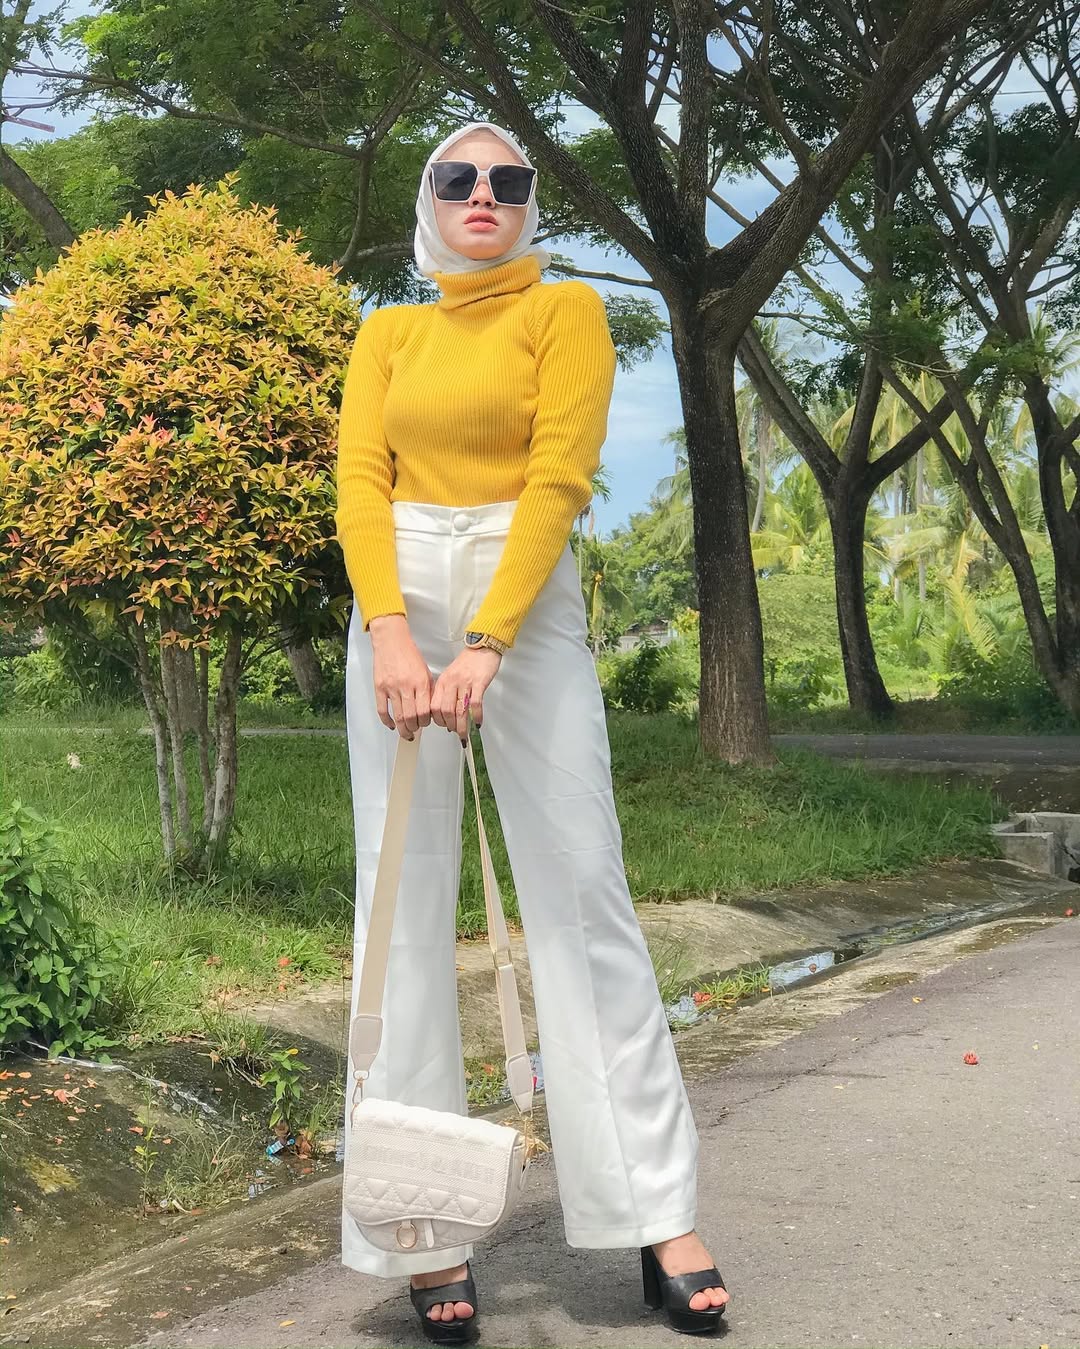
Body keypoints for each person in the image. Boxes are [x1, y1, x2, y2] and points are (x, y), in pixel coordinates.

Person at [334, 120, 730, 1342]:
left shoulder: (565, 312)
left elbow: (560, 475)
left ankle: (656, 1208)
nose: (484, 195)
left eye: (508, 181)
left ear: (528, 204)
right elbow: (359, 480)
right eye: (458, 178)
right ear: (429, 199)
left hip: (525, 592)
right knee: (400, 906)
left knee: (581, 891)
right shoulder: (387, 333)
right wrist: (392, 635)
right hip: (398, 595)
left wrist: (487, 641)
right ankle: (422, 1226)